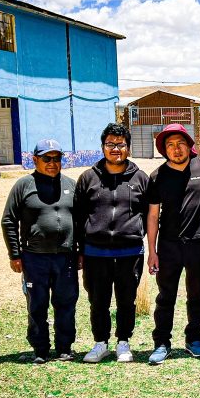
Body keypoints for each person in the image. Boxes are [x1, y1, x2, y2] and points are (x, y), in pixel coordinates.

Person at [74, 123, 152, 364]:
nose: (115, 149)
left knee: (126, 299)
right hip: (95, 252)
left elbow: (150, 214)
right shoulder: (88, 178)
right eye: (110, 144)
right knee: (98, 300)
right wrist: (79, 249)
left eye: (120, 144)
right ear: (103, 147)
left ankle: (123, 343)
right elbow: (77, 216)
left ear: (128, 147)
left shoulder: (141, 179)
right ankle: (100, 343)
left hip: (129, 252)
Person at [0, 138, 79, 364]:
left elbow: (82, 221)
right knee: (37, 304)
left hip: (66, 258)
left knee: (66, 303)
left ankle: (65, 347)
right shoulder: (23, 186)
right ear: (35, 160)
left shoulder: (71, 185)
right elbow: (8, 220)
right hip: (34, 258)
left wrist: (80, 251)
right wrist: (14, 254)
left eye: (57, 158)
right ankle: (40, 349)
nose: (52, 163)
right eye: (47, 158)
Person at [146, 123, 200, 364]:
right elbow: (153, 216)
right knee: (166, 296)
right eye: (170, 145)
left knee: (196, 294)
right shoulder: (156, 177)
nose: (176, 149)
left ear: (189, 145)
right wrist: (152, 251)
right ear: (164, 149)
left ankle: (193, 339)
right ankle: (162, 342)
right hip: (168, 246)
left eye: (180, 144)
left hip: (198, 242)